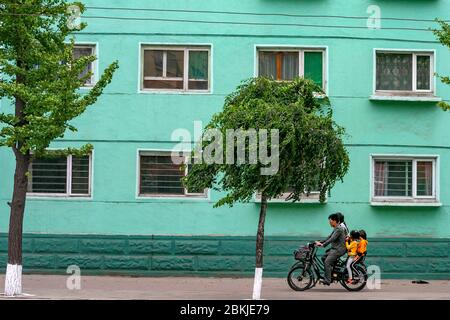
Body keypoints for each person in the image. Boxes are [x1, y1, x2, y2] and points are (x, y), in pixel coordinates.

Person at [315, 213, 347, 285]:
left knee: (327, 262)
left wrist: (323, 245)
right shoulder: (336, 228)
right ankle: (330, 273)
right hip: (335, 249)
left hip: (339, 250)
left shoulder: (339, 229)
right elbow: (329, 237)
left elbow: (332, 239)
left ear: (335, 221)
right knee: (323, 257)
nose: (329, 223)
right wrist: (320, 242)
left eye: (331, 221)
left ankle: (327, 280)